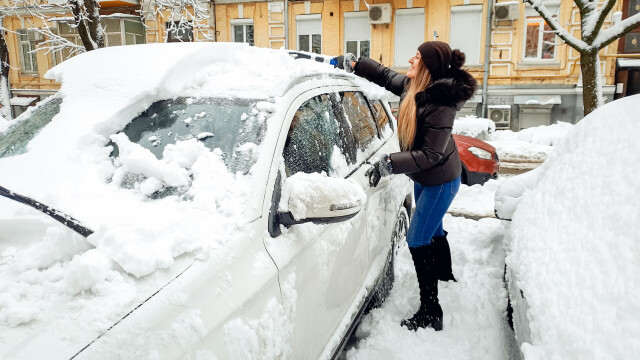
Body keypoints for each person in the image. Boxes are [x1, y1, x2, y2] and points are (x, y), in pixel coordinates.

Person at [335, 41, 477, 331]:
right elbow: (386, 76)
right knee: (432, 229)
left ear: (428, 66)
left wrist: (389, 162)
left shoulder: (441, 103)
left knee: (417, 238)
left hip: (440, 180)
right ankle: (444, 273)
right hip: (426, 177)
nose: (412, 58)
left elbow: (431, 155)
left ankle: (430, 311)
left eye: (418, 56)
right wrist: (356, 64)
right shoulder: (415, 87)